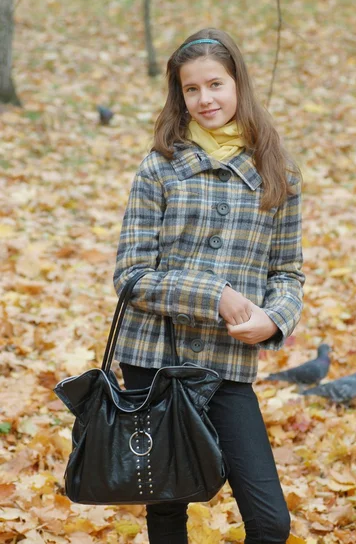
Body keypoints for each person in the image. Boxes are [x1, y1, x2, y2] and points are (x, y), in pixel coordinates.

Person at [113, 27, 305, 544]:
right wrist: (214, 295)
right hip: (154, 361)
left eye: (215, 84)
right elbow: (130, 277)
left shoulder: (277, 173)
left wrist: (275, 320)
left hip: (227, 365)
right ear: (180, 95)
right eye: (191, 90)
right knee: (167, 509)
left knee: (270, 523)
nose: (205, 99)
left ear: (238, 82)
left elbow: (287, 272)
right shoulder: (160, 167)